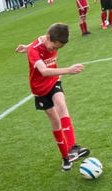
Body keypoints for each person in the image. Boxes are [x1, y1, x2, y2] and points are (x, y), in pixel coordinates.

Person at [14, 23, 90, 172]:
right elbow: (43, 71)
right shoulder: (35, 51)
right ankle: (65, 158)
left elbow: (40, 38)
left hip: (54, 80)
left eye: (57, 49)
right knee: (55, 122)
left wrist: (26, 46)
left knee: (62, 106)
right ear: (49, 38)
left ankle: (73, 148)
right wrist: (68, 70)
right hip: (40, 88)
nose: (54, 50)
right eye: (53, 47)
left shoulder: (49, 37)